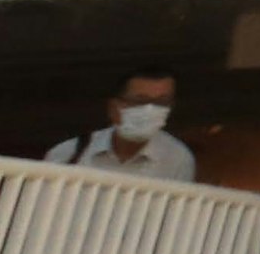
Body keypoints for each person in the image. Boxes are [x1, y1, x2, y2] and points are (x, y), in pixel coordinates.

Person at [45, 67, 197, 183]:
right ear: (114, 107)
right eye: (140, 101)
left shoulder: (177, 159)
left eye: (161, 103)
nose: (150, 110)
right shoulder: (68, 153)